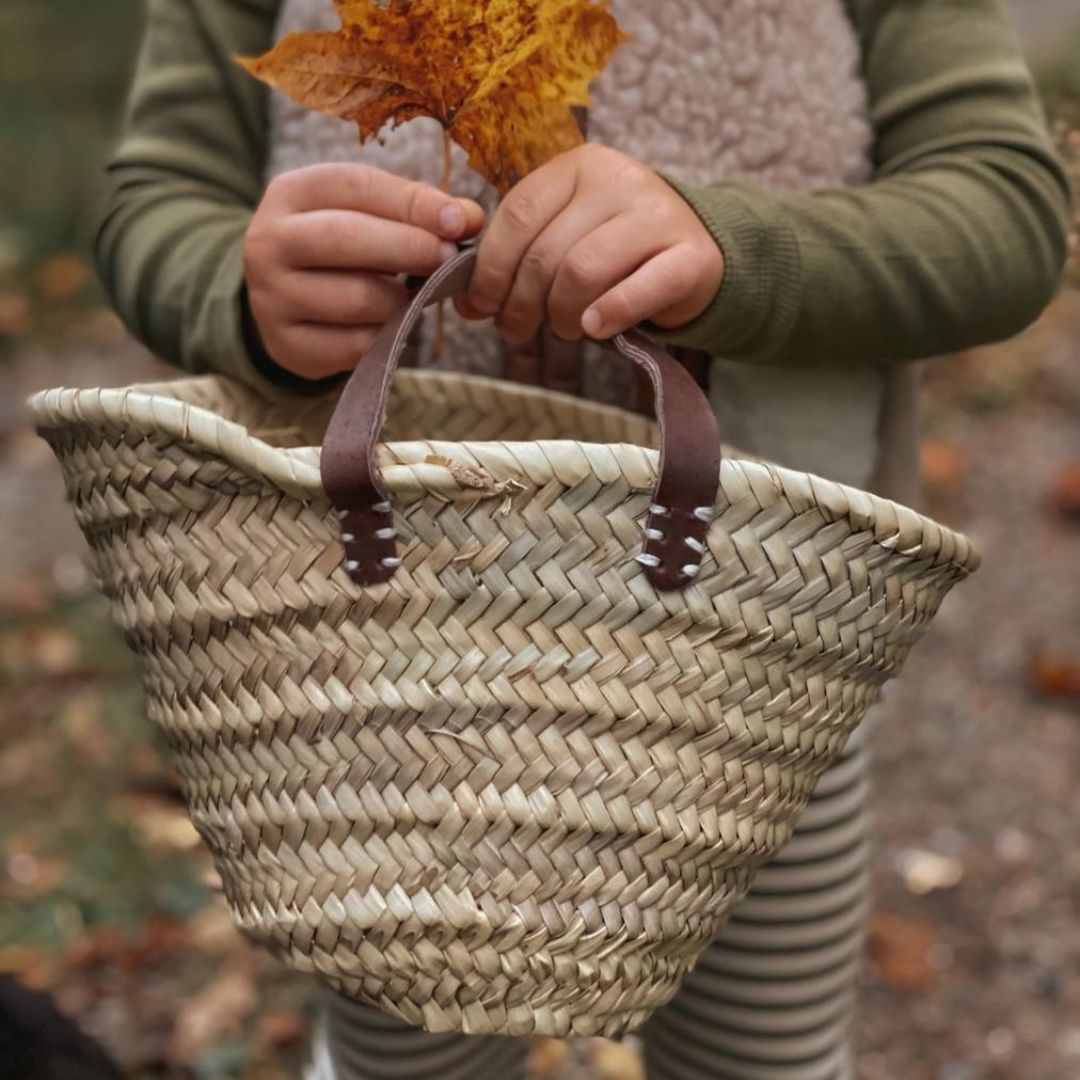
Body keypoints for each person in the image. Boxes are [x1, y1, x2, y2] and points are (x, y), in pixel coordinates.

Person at [96, 1, 1071, 1077]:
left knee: (762, 1049)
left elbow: (1005, 213)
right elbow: (150, 203)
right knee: (409, 1050)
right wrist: (238, 287)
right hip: (382, 672)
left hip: (763, 652)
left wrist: (732, 250)